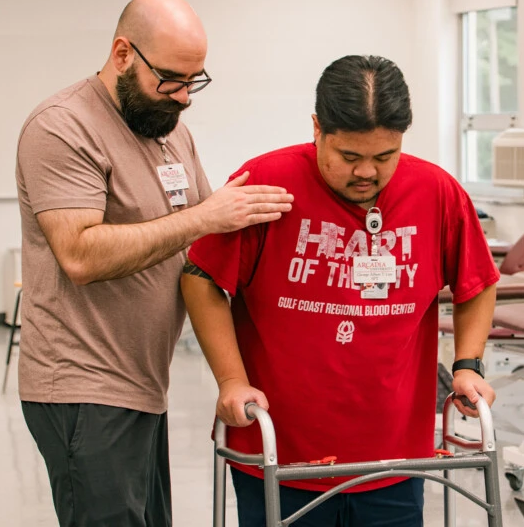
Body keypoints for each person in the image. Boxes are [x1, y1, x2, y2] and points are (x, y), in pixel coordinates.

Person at [181, 54, 499, 527]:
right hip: (281, 451)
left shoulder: (436, 192)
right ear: (317, 129)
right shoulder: (268, 183)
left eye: (384, 156)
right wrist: (231, 379)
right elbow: (201, 276)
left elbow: (477, 282)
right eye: (349, 157)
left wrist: (468, 364)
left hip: (395, 456)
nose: (367, 172)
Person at [14, 0, 294, 527]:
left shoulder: (167, 128)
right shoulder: (61, 127)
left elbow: (210, 240)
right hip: (82, 384)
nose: (184, 97)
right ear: (123, 54)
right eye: (171, 79)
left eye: (195, 81)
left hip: (143, 383)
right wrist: (203, 217)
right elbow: (78, 254)